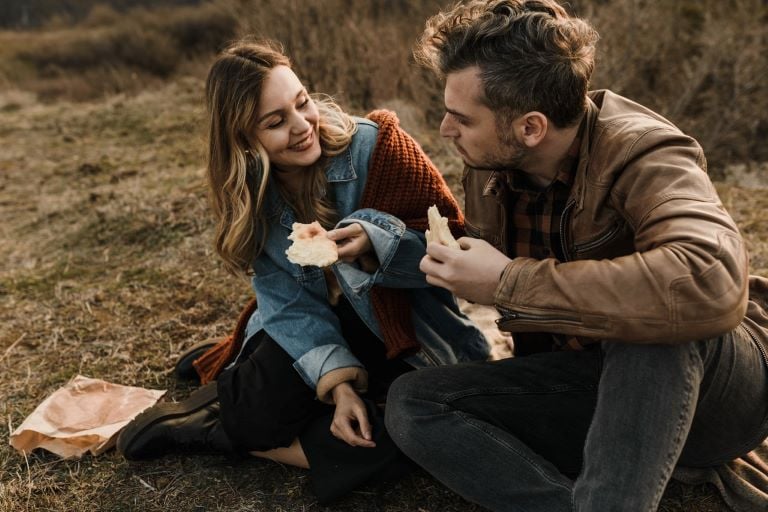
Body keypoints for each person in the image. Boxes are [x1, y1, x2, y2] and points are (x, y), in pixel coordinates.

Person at [384, 1, 768, 511]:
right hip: (592, 383)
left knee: (649, 318)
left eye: (461, 118)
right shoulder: (489, 164)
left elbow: (707, 277)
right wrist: (384, 250)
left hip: (722, 398)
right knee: (414, 403)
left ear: (530, 127)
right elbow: (478, 258)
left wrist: (508, 285)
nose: (445, 130)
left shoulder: (647, 154)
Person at [116, 38, 489, 504]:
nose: (301, 126)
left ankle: (218, 424)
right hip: (317, 322)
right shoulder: (253, 195)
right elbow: (287, 299)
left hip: (407, 333)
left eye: (302, 102)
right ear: (242, 141)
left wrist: (375, 245)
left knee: (410, 441)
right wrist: (340, 387)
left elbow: (454, 247)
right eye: (275, 122)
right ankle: (228, 401)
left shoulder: (380, 148)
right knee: (260, 414)